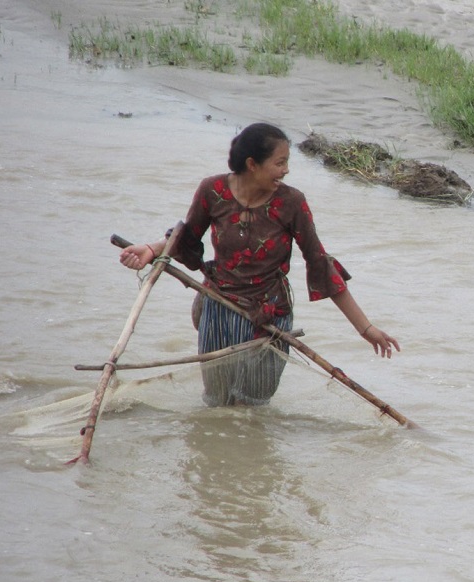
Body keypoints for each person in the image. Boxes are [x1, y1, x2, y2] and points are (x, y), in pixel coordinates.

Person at [119, 122, 400, 405]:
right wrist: (150, 249)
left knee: (252, 409)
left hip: (268, 319)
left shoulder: (292, 202)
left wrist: (366, 329)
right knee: (217, 405)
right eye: (280, 163)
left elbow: (319, 263)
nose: (286, 170)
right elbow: (186, 237)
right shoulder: (212, 190)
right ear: (252, 164)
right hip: (219, 309)